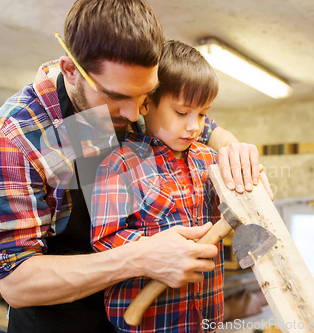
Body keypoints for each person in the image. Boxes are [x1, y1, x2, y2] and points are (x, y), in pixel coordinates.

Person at [0, 0, 272, 332]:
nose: (133, 114)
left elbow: (206, 129)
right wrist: (139, 257)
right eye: (117, 98)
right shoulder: (14, 137)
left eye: (146, 95)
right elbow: (16, 282)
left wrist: (233, 150)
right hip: (59, 320)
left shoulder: (134, 95)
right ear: (71, 70)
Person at [91, 40, 224, 332]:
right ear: (146, 103)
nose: (195, 127)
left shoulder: (208, 160)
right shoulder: (120, 165)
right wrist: (151, 251)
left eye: (202, 114)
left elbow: (227, 211)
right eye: (181, 113)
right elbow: (105, 241)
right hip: (149, 321)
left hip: (206, 315)